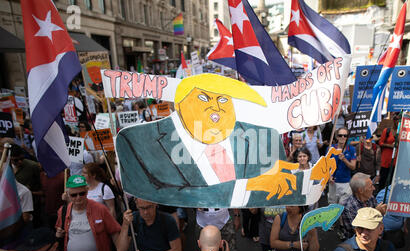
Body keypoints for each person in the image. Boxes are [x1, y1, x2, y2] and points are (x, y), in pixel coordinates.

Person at [114, 73, 307, 208]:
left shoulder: (265, 137)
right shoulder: (137, 141)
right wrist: (246, 186)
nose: (216, 107)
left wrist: (309, 179)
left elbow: (281, 183)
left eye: (223, 100)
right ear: (180, 105)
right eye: (204, 98)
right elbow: (158, 192)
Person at [55, 175, 122, 251]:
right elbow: (60, 232)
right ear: (68, 195)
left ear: (87, 191)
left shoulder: (100, 209)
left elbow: (114, 231)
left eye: (82, 193)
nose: (78, 198)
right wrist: (58, 234)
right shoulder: (63, 211)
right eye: (74, 195)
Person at [292, 147, 325, 251]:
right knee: (297, 227)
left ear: (308, 157)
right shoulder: (293, 170)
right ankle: (299, 249)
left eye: (304, 156)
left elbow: (319, 182)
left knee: (312, 227)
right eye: (300, 156)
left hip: (312, 202)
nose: (302, 158)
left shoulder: (314, 168)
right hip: (298, 203)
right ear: (296, 158)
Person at [341, 173, 387, 240]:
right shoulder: (349, 207)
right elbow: (360, 232)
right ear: (361, 190)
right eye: (371, 186)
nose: (374, 188)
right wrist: (375, 212)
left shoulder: (370, 197)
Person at [328, 127, 356, 206]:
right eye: (340, 135)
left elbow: (353, 167)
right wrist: (329, 176)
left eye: (345, 135)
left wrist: (344, 159)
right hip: (333, 182)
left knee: (342, 206)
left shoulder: (351, 149)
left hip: (346, 183)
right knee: (332, 206)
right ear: (337, 137)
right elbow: (326, 166)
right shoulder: (331, 148)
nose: (343, 137)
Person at [377, 115, 400, 190]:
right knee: (383, 180)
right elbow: (380, 143)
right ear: (394, 121)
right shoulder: (387, 131)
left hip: (396, 162)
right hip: (386, 160)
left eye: (400, 120)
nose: (398, 122)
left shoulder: (402, 132)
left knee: (392, 182)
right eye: (396, 120)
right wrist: (390, 146)